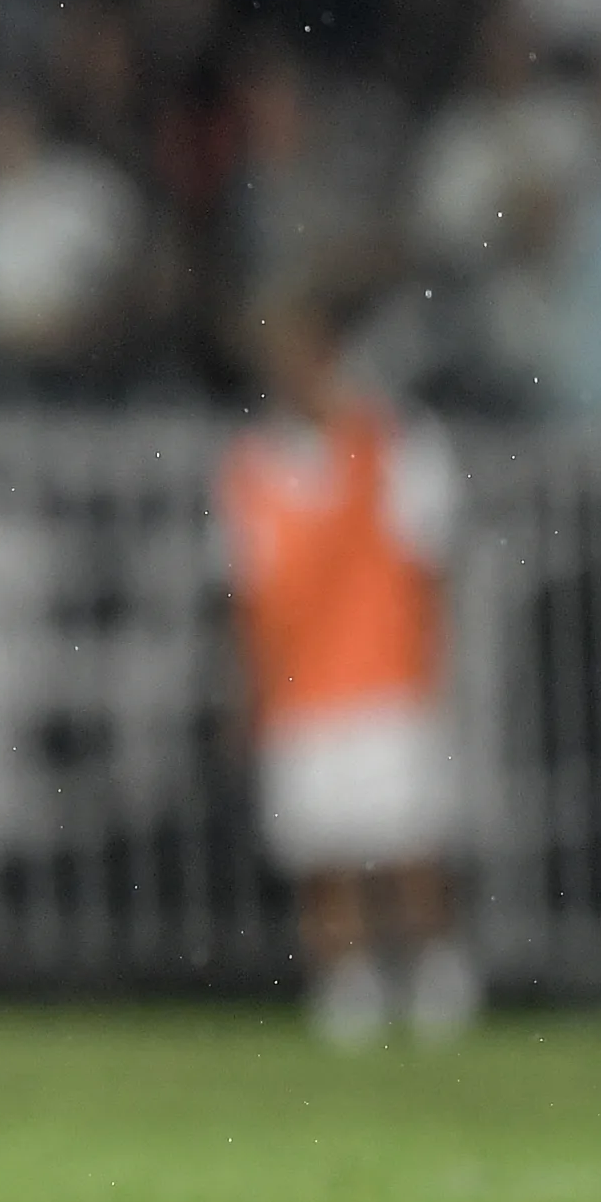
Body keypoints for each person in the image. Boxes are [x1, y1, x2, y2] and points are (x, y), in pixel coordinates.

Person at [217, 303, 476, 1049]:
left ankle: (434, 975)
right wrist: (247, 692)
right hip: (299, 694)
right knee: (322, 854)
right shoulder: (251, 467)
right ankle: (347, 985)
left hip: (387, 680)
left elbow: (434, 567)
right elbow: (245, 595)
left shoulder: (397, 445)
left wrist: (440, 673)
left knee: (406, 846)